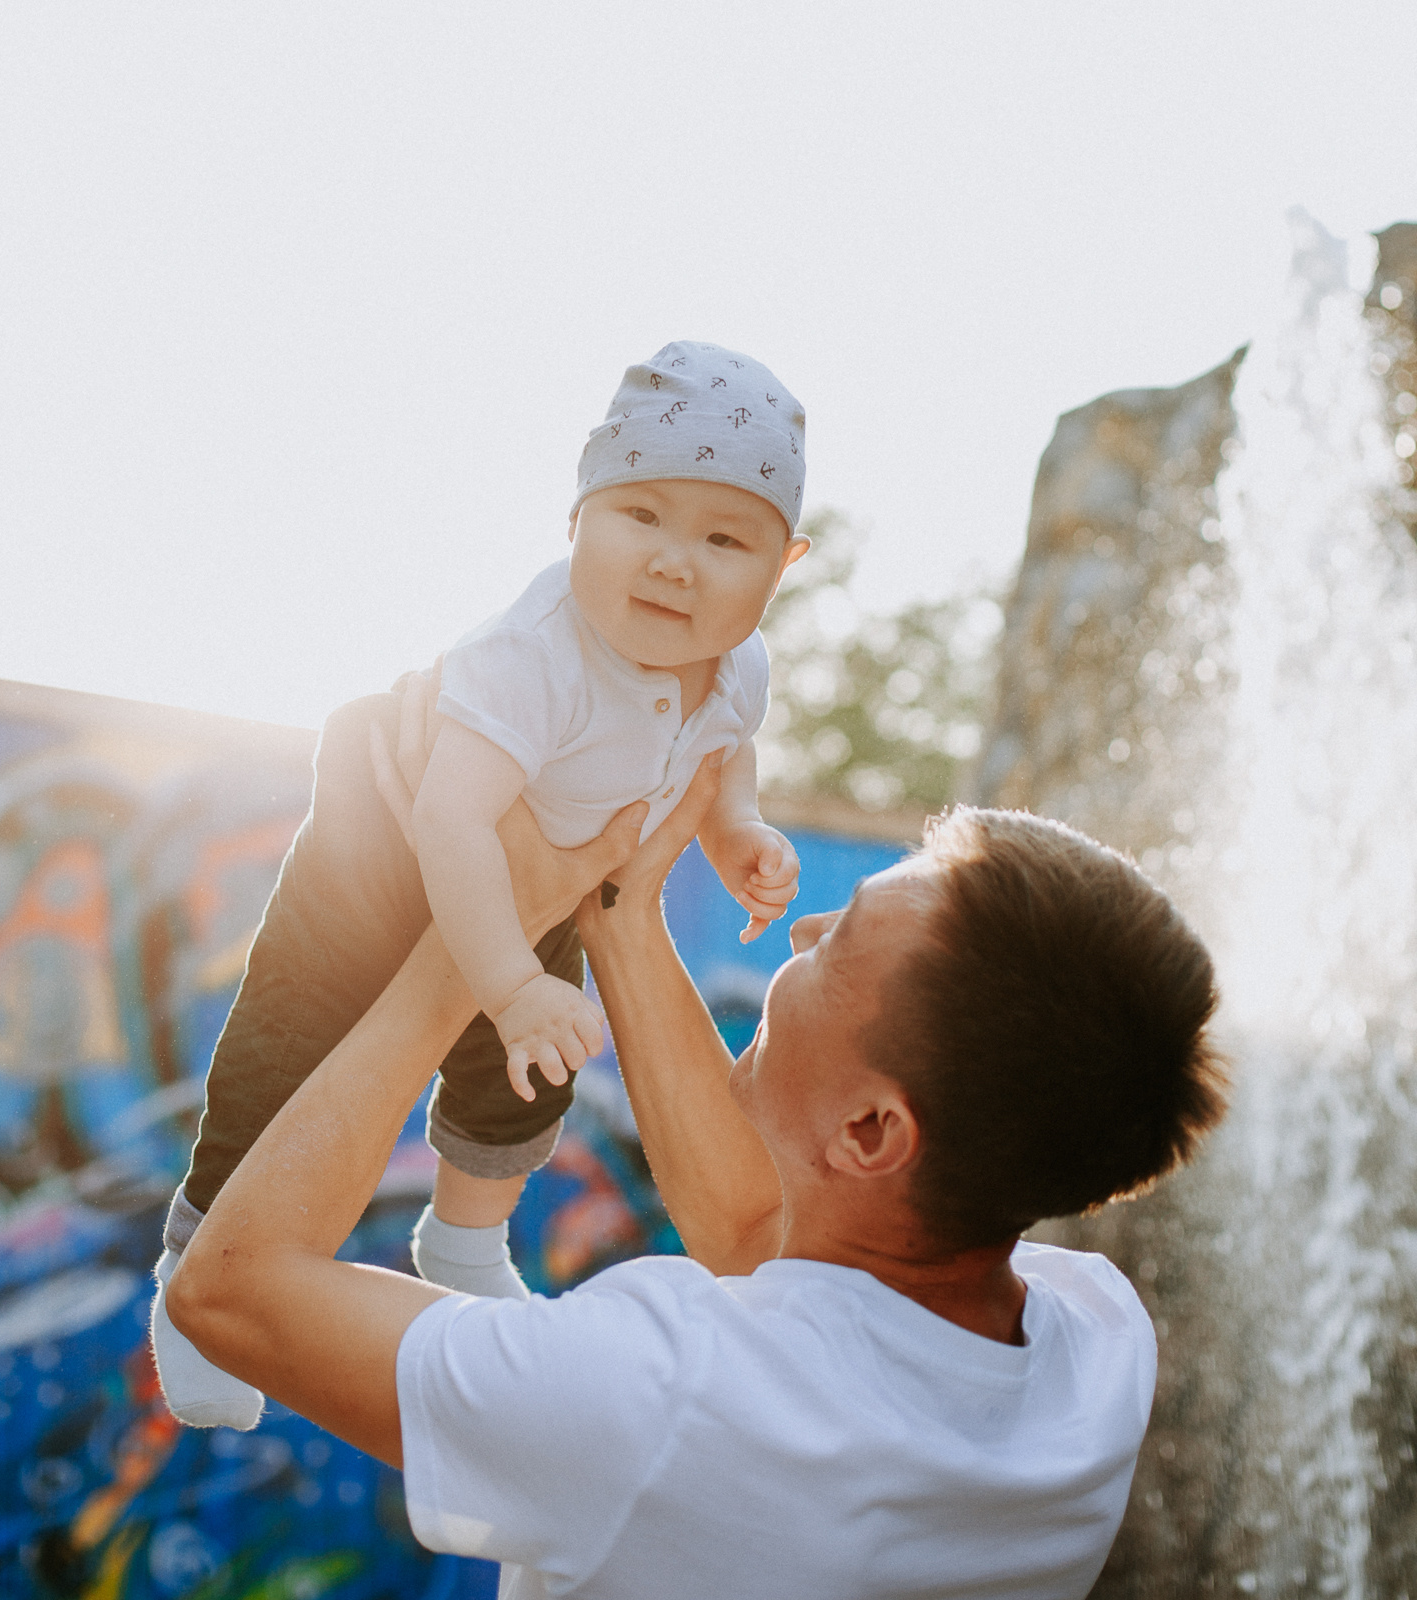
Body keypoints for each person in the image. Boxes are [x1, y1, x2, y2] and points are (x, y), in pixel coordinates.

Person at [167, 680, 1228, 1600]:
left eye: (840, 940)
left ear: (870, 1128)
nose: (805, 930)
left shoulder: (661, 1393)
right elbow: (766, 1234)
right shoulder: (1091, 1351)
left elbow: (228, 1288)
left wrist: (474, 944)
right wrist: (614, 909)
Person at [151, 340, 812, 1429]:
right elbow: (451, 822)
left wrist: (736, 832)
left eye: (723, 537)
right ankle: (194, 1270)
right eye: (639, 515)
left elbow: (723, 748)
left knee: (534, 1063)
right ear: (575, 519)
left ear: (782, 566)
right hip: (391, 840)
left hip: (533, 867)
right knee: (296, 1043)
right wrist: (506, 980)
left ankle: (461, 1239)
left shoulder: (737, 665)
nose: (673, 562)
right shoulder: (532, 654)